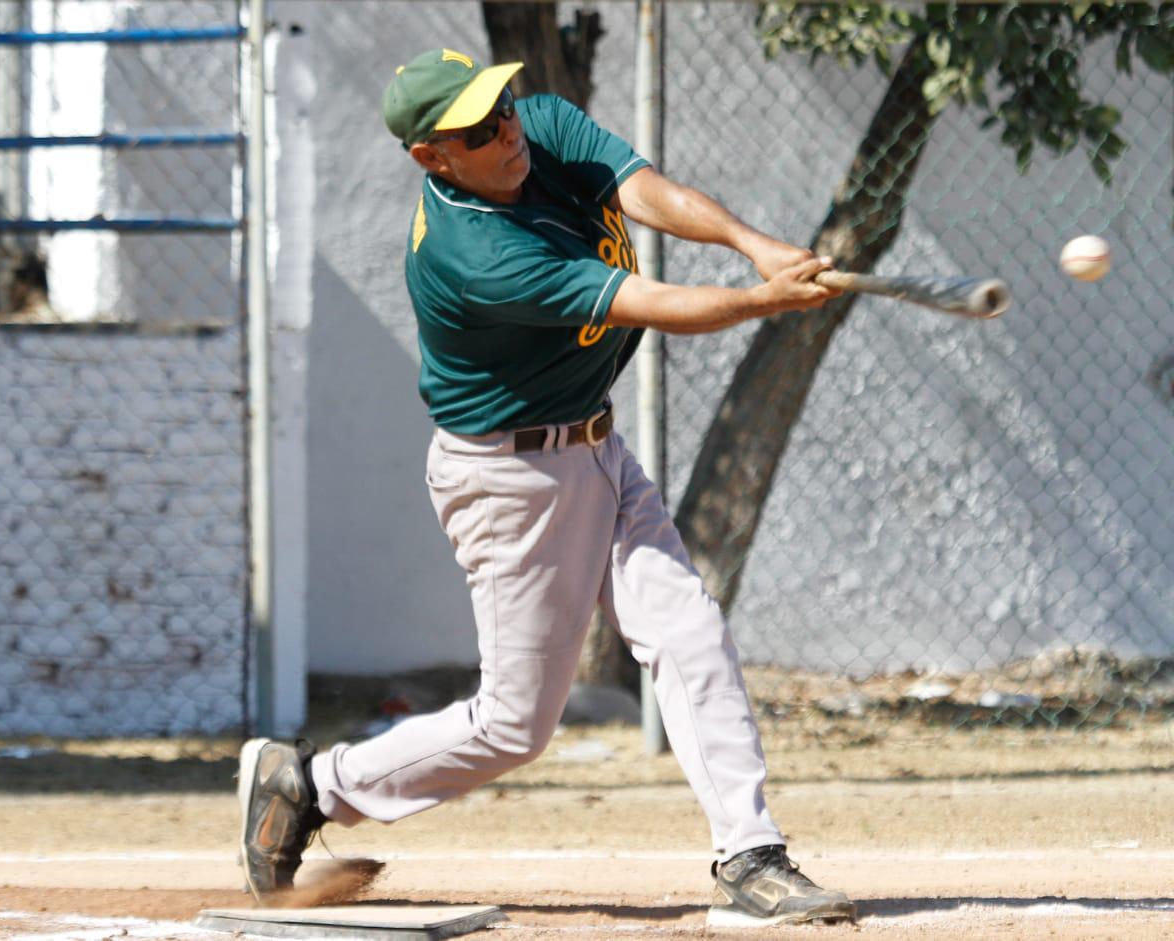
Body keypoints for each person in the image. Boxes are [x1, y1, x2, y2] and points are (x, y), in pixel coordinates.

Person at [238, 48, 854, 928]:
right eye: (476, 130)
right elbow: (650, 302)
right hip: (509, 479)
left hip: (595, 443)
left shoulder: (539, 129)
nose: (505, 132)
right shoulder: (475, 254)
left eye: (502, 108)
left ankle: (750, 856)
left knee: (688, 630)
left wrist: (758, 248)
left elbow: (648, 191)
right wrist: (766, 301)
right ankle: (312, 783)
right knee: (514, 727)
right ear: (432, 158)